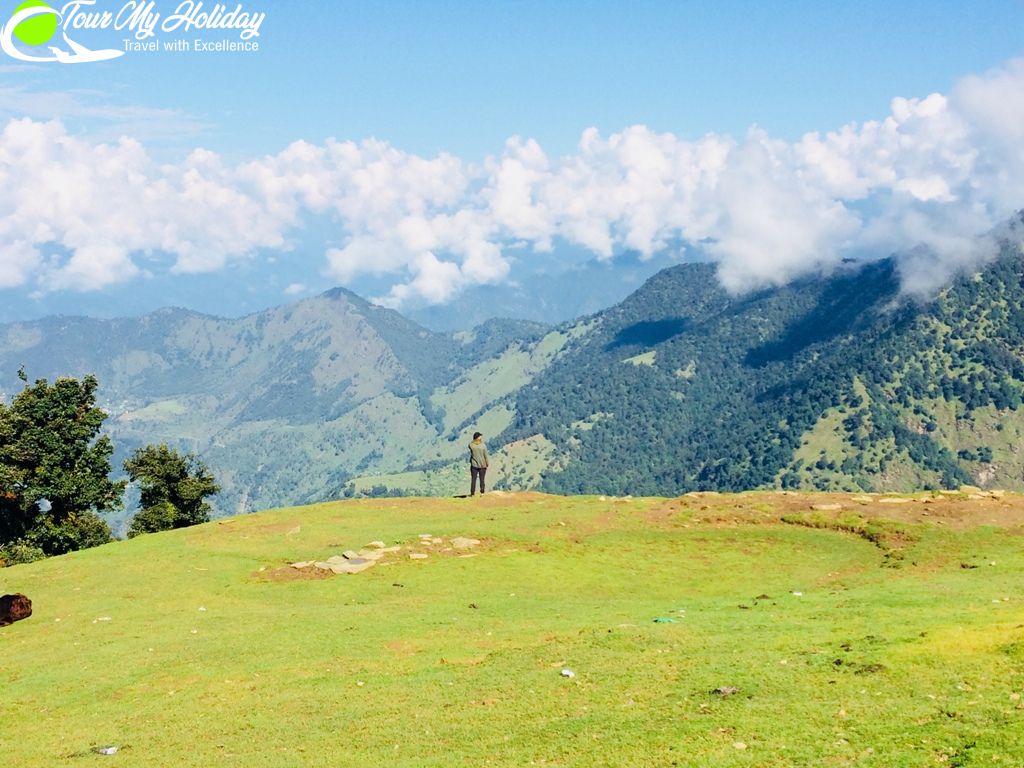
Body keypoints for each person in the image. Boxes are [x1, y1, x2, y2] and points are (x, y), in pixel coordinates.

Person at [468, 431, 489, 495]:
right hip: (482, 465)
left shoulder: (471, 445)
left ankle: (472, 492)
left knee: (473, 479)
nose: (481, 437)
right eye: (480, 436)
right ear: (478, 438)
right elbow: (486, 455)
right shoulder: (483, 446)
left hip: (474, 464)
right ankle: (482, 492)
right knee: (482, 479)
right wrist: (487, 463)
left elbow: (469, 445)